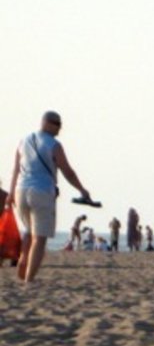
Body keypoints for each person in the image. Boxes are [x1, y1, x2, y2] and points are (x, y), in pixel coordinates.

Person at [5, 111, 92, 283]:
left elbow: (15, 169)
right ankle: (29, 279)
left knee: (28, 233)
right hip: (42, 191)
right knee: (40, 238)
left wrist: (11, 192)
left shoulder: (24, 141)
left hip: (21, 190)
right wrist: (82, 190)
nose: (59, 128)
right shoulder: (54, 145)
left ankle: (22, 266)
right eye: (56, 124)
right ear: (46, 123)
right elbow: (67, 171)